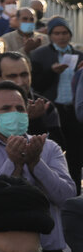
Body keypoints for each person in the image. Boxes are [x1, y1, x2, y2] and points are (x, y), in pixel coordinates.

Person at [0, 80, 75, 252]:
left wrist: (36, 164)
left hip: (49, 251)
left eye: (19, 108)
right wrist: (13, 164)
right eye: (6, 108)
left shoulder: (48, 148)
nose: (14, 114)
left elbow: (66, 197)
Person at [31, 17, 82, 186]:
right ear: (51, 35)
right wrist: (52, 71)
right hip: (52, 109)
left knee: (76, 153)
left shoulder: (78, 55)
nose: (61, 37)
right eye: (57, 33)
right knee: (54, 151)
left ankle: (73, 188)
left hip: (73, 110)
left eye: (65, 33)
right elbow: (36, 85)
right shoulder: (40, 55)